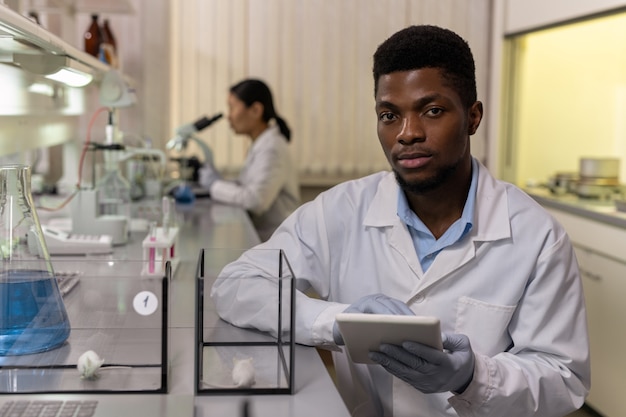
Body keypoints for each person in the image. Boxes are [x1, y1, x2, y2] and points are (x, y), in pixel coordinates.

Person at [210, 25, 590, 417]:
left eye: (433, 111)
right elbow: (236, 285)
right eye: (389, 115)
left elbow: (563, 377)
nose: (407, 134)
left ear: (473, 117)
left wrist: (474, 377)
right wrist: (336, 321)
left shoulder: (537, 236)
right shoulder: (340, 210)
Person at [199, 78, 300, 241]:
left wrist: (215, 185)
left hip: (276, 242)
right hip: (264, 238)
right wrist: (220, 183)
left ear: (255, 110)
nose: (228, 116)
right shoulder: (261, 143)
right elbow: (248, 185)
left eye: (232, 107)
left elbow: (255, 201)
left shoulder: (271, 148)